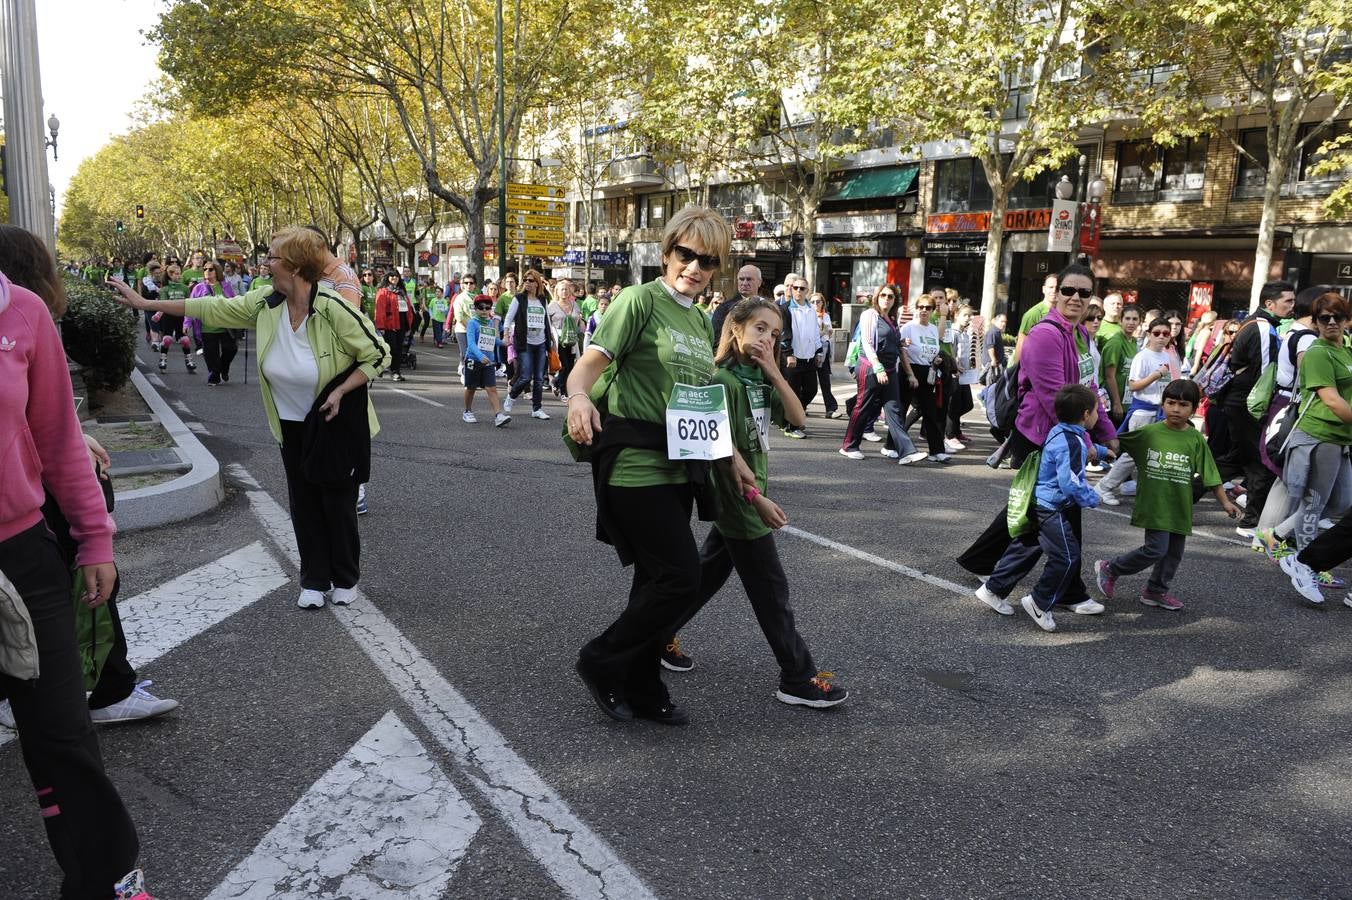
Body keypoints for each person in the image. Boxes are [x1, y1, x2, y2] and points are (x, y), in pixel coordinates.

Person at [111, 226, 390, 610]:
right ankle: (313, 579)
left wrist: (342, 390)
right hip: (289, 423)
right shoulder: (266, 303)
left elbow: (378, 352)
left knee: (337, 503)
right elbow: (213, 308)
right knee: (303, 500)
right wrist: (145, 305)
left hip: (332, 419)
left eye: (273, 258)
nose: (265, 264)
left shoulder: (331, 306)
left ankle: (345, 577)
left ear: (293, 266)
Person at [0, 241, 151, 896]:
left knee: (64, 734)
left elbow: (58, 436)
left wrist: (95, 538)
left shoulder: (21, 312)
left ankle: (109, 881)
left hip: (23, 554)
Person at [565, 205, 755, 726]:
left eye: (707, 260)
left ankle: (643, 684)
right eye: (684, 254)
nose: (693, 267)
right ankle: (600, 660)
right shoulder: (638, 300)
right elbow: (588, 365)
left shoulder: (697, 317)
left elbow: (702, 399)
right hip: (634, 465)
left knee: (653, 581)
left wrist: (733, 459)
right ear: (666, 252)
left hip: (681, 468)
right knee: (681, 578)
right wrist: (578, 398)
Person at [659, 297, 849, 707]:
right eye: (760, 328)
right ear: (735, 329)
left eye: (775, 333)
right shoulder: (720, 380)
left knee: (706, 575)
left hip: (751, 492)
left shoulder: (758, 378)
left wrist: (772, 369)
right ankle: (797, 677)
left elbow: (798, 420)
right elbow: (719, 449)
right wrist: (754, 498)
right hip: (739, 496)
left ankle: (653, 636)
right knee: (771, 591)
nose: (767, 337)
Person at [956, 264, 1119, 615]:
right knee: (1051, 514)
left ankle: (986, 563)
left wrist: (1107, 432)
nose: (1076, 298)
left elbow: (1089, 390)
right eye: (1069, 291)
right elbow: (1056, 399)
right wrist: (1085, 443)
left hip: (1063, 435)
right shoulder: (1047, 335)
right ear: (1056, 292)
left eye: (1084, 293)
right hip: (1043, 437)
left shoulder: (1082, 336)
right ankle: (1061, 589)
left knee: (1033, 509)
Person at [1095, 379, 1240, 611]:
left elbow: (1210, 474)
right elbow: (1116, 443)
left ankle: (1155, 591)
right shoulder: (1149, 433)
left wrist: (1225, 503)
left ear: (1194, 408)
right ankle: (1111, 568)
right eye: (1171, 402)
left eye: (1183, 404)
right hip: (1155, 504)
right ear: (1162, 404)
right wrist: (1094, 449)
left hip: (1180, 506)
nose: (1176, 409)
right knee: (1156, 549)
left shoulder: (1195, 440)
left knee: (1173, 554)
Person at [975, 385, 1109, 631]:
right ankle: (1039, 601)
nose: (1099, 416)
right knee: (1067, 557)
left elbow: (1074, 451)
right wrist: (1092, 497)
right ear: (1086, 414)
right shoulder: (1072, 441)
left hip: (1039, 501)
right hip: (1051, 508)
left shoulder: (1060, 431)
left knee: (1026, 547)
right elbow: (1070, 483)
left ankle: (993, 589)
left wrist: (1101, 451)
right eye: (1098, 412)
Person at [1264, 293, 1352, 571]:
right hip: (1319, 436)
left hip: (1341, 437)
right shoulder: (1317, 352)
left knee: (1341, 502)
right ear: (1314, 322)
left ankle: (1275, 535)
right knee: (1315, 504)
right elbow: (1331, 400)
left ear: (1347, 320)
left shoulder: (1346, 350)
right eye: (1324, 318)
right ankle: (1304, 565)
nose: (1331, 322)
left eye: (1337, 316)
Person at [1219, 281, 1295, 538]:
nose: (1292, 306)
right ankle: (1250, 523)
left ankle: (1183, 496)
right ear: (1269, 304)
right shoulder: (1263, 328)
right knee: (1257, 464)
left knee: (1235, 460)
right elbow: (1263, 378)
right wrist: (1264, 410)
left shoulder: (1265, 326)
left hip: (1242, 401)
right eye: (1288, 301)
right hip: (1247, 403)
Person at [1095, 316, 1179, 505]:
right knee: (1132, 455)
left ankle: (1147, 491)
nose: (1161, 337)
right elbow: (1133, 386)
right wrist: (1157, 375)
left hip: (1160, 412)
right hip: (1142, 412)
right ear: (1149, 334)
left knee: (1154, 455)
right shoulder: (1142, 356)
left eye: (1166, 333)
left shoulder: (1166, 355)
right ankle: (1104, 487)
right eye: (1157, 333)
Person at [839, 285, 926, 465]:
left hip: (890, 369)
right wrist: (877, 367)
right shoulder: (869, 315)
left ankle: (906, 451)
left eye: (891, 296)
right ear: (877, 297)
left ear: (895, 300)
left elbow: (896, 347)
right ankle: (849, 446)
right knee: (864, 406)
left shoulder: (892, 319)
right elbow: (868, 343)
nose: (887, 298)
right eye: (883, 295)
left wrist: (909, 372)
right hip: (869, 367)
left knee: (894, 410)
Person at [898, 291, 950, 461]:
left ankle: (937, 451)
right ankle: (892, 446)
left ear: (933, 310)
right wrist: (910, 374)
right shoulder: (908, 327)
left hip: (928, 371)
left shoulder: (933, 329)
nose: (924, 310)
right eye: (920, 307)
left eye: (928, 308)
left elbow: (933, 349)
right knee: (901, 409)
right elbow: (903, 352)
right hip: (909, 370)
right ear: (916, 309)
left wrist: (936, 361)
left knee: (930, 412)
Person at [504, 269, 554, 420]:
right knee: (525, 377)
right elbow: (508, 318)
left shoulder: (542, 300)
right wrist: (506, 335)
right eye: (525, 279)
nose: (527, 282)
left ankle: (537, 409)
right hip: (525, 342)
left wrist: (551, 340)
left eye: (531, 280)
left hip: (541, 343)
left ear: (537, 283)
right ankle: (511, 396)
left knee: (539, 378)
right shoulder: (519, 299)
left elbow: (547, 322)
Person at [462, 294, 511, 427]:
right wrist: (479, 356)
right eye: (481, 307)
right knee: (471, 387)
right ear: (475, 308)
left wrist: (503, 343)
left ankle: (498, 415)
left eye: (487, 308)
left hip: (489, 361)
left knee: (492, 388)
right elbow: (471, 343)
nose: (484, 310)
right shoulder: (472, 323)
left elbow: (491, 340)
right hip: (473, 359)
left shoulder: (490, 323)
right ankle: (467, 411)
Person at [780, 273, 818, 438]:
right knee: (793, 393)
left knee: (811, 390)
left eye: (802, 288)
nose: (798, 291)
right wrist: (788, 353)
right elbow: (783, 333)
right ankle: (791, 426)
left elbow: (815, 333)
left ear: (807, 291)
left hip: (809, 358)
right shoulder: (785, 309)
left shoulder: (811, 309)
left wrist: (819, 351)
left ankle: (793, 416)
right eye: (795, 288)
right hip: (792, 358)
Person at [191, 262, 235, 384]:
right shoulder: (198, 288)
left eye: (211, 269)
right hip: (207, 328)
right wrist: (186, 323)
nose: (207, 271)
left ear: (217, 271)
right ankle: (214, 375)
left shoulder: (225, 286)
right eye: (205, 269)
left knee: (231, 349)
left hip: (225, 326)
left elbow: (234, 303)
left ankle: (224, 368)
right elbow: (190, 305)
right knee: (211, 355)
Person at [1099, 305, 1141, 426]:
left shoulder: (1134, 342)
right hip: (1114, 404)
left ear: (1139, 321)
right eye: (1127, 318)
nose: (1131, 322)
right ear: (1120, 321)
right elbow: (1109, 376)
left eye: (1135, 319)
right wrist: (1116, 403)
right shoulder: (1115, 342)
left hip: (1128, 401)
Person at [948, 304, 980, 443]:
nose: (968, 318)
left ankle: (955, 430)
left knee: (967, 404)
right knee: (954, 406)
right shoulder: (952, 332)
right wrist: (955, 365)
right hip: (954, 374)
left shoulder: (965, 333)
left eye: (969, 315)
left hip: (965, 375)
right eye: (964, 315)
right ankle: (950, 434)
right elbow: (949, 351)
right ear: (956, 315)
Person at [549, 278, 586, 397]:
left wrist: (582, 323)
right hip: (558, 340)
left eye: (566, 289)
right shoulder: (552, 306)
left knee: (571, 366)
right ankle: (564, 391)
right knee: (563, 365)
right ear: (557, 292)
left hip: (572, 339)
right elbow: (548, 323)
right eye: (561, 289)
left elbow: (579, 319)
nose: (564, 292)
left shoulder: (575, 305)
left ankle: (556, 382)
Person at [374, 271, 414, 382]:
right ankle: (386, 368)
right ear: (387, 278)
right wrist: (381, 327)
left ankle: (395, 371)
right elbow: (380, 310)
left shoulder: (402, 292)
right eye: (391, 276)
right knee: (391, 349)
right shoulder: (383, 292)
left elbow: (408, 309)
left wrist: (409, 324)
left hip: (401, 324)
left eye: (396, 276)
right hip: (389, 325)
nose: (394, 278)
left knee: (399, 349)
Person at [809, 292, 842, 418]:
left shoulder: (826, 316)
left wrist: (823, 333)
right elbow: (813, 334)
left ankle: (831, 409)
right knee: (808, 383)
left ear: (823, 303)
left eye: (818, 301)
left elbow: (828, 333)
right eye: (812, 302)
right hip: (810, 351)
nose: (815, 304)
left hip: (824, 350)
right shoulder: (807, 316)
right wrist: (822, 332)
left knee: (825, 381)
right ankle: (802, 405)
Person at [1012, 273, 1059, 361]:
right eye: (1051, 287)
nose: (1054, 290)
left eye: (1057, 287)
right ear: (1043, 289)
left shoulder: (1062, 314)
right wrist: (1016, 370)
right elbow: (1021, 344)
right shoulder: (1033, 314)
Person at [712, 263, 763, 341]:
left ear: (759, 282)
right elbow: (716, 338)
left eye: (749, 279)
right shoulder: (724, 308)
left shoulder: (765, 307)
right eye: (741, 279)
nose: (744, 283)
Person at [982, 311, 1008, 385]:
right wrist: (993, 360)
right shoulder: (993, 332)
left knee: (994, 384)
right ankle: (983, 395)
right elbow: (990, 346)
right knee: (990, 384)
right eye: (1002, 321)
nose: (1004, 324)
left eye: (1005, 322)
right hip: (991, 364)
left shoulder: (997, 332)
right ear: (996, 321)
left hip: (996, 363)